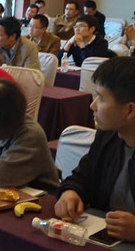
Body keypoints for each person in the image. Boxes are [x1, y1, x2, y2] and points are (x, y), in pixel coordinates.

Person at [55, 57, 135, 241]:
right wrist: (70, 192)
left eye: (101, 98)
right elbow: (81, 177)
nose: (93, 105)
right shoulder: (108, 136)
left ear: (130, 110)